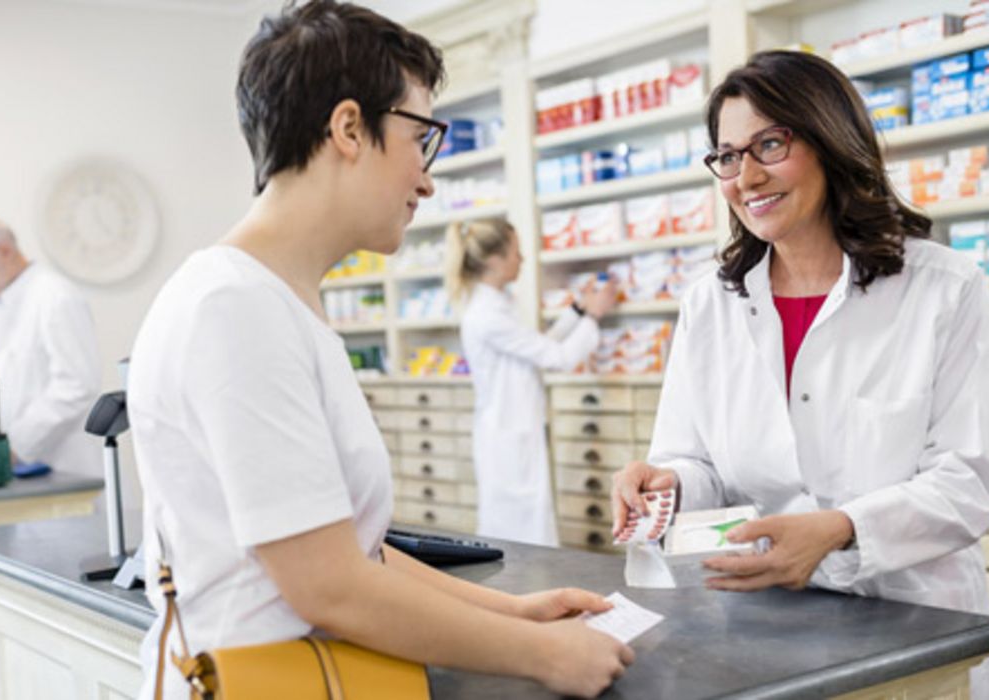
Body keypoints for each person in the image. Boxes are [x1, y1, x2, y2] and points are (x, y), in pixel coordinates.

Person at [128, 3, 634, 698]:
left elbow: (354, 555)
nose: (427, 178)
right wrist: (543, 656)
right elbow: (328, 588)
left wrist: (517, 610)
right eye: (419, 137)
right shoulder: (232, 307)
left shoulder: (281, 301)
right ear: (347, 129)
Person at [610, 50, 989, 697]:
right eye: (728, 155)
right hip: (757, 623)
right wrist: (667, 486)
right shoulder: (710, 300)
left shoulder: (943, 287)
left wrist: (838, 531)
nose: (746, 176)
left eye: (769, 144)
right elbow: (693, 458)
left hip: (916, 625)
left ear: (828, 140)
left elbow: (964, 483)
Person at [447, 218, 618, 545]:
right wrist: (595, 314)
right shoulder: (487, 314)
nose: (522, 259)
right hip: (507, 434)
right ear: (494, 261)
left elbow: (538, 349)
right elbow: (559, 358)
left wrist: (578, 310)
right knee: (518, 529)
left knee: (522, 524)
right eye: (516, 252)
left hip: (512, 428)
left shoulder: (495, 304)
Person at [0, 218, 102, 474]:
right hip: (33, 470)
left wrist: (18, 444)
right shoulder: (7, 305)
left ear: (4, 251)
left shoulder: (55, 297)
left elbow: (77, 385)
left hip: (70, 468)